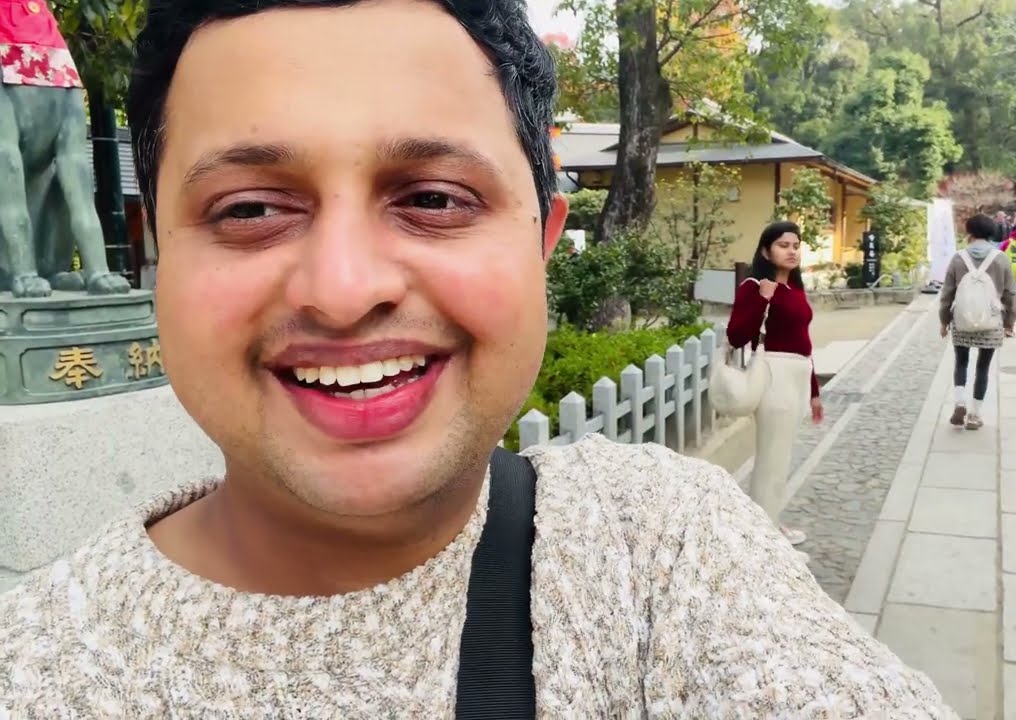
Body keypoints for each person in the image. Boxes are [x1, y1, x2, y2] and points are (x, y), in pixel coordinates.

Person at [0, 0, 956, 716]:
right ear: (155, 254)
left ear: (541, 243)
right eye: (250, 209)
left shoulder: (660, 554)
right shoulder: (38, 666)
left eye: (435, 199)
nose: (341, 288)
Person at [726, 221, 822, 551]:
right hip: (774, 375)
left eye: (796, 245)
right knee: (772, 458)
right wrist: (762, 300)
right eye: (784, 245)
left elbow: (804, 342)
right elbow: (738, 336)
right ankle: (763, 532)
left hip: (797, 374)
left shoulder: (796, 288)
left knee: (780, 457)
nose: (792, 250)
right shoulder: (755, 286)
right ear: (767, 250)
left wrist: (813, 390)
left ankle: (768, 521)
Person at [939, 214, 1016, 430]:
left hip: (962, 319)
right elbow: (1011, 292)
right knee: (983, 367)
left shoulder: (958, 258)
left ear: (969, 232)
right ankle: (974, 415)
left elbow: (947, 293)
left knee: (961, 361)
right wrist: (1010, 321)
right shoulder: (1001, 258)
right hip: (991, 321)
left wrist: (944, 320)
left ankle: (959, 402)